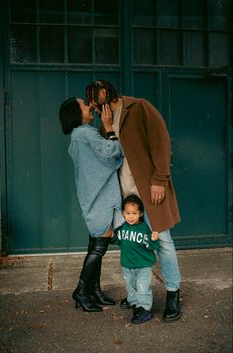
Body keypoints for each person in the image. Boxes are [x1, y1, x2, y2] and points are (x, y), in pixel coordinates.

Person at [86, 80, 182, 322]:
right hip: (125, 196)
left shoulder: (140, 108)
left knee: (164, 242)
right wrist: (107, 128)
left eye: (97, 105)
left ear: (105, 95)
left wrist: (160, 179)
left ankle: (173, 293)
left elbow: (161, 141)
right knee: (131, 244)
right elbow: (109, 157)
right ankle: (138, 295)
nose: (96, 111)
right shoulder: (105, 124)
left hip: (150, 190)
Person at [59, 97, 125, 312]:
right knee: (99, 247)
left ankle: (94, 289)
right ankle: (80, 291)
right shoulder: (84, 133)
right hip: (100, 197)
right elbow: (112, 154)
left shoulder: (78, 136)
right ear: (76, 113)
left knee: (95, 244)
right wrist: (108, 128)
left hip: (93, 196)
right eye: (84, 104)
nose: (89, 106)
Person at [111, 194, 159, 324]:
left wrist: (153, 239)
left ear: (141, 213)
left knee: (142, 287)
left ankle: (145, 309)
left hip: (143, 265)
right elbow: (119, 241)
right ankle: (135, 304)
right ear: (123, 213)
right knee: (131, 286)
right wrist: (111, 236)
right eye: (128, 213)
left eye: (134, 213)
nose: (131, 216)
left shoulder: (143, 228)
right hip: (127, 265)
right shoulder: (122, 228)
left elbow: (151, 245)